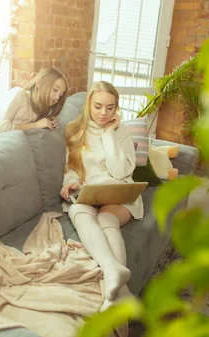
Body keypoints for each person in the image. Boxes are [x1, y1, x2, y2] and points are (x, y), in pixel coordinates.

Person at [60, 81, 142, 311]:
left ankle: (113, 284)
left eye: (110, 107)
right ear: (88, 104)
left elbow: (119, 171)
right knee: (76, 209)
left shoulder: (121, 131)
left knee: (106, 219)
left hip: (119, 189)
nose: (104, 113)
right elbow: (72, 167)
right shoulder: (75, 130)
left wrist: (108, 135)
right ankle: (116, 277)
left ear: (116, 107)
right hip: (91, 189)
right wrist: (70, 182)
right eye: (98, 107)